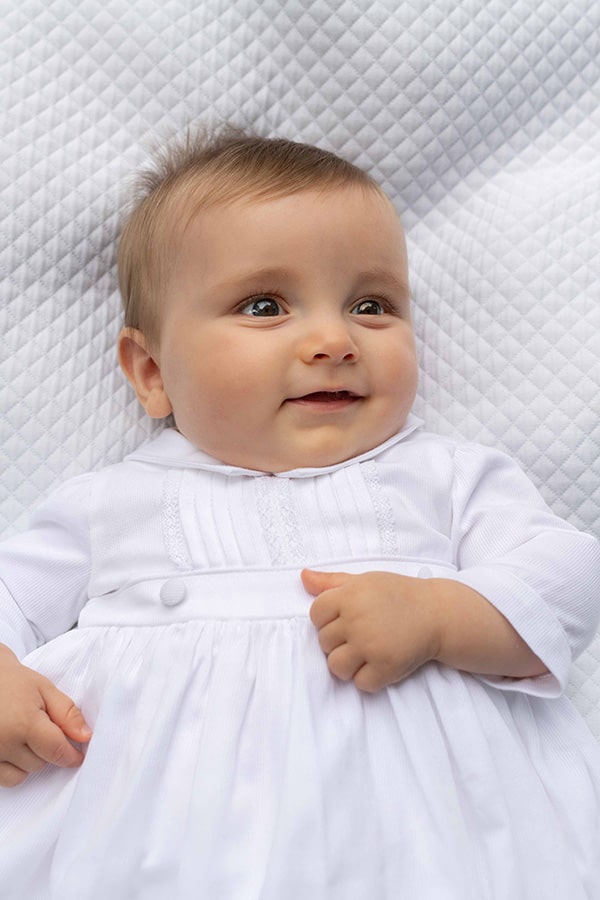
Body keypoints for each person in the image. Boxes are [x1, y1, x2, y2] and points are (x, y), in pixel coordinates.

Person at [0, 127, 599, 899]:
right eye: (263, 305)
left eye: (371, 304)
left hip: (422, 839)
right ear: (151, 373)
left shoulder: (442, 476)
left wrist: (445, 616)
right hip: (160, 834)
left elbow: (571, 574)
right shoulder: (107, 505)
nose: (332, 338)